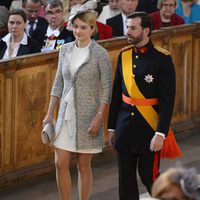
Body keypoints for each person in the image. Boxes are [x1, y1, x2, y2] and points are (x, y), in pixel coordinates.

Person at [107, 11, 181, 200]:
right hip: (124, 128)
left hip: (149, 129)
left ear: (146, 30)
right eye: (128, 27)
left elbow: (167, 100)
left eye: (133, 28)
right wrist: (111, 127)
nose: (128, 31)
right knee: (126, 182)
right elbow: (116, 95)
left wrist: (160, 133)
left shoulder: (162, 59)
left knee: (150, 176)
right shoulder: (124, 55)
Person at [43, 1, 112, 199]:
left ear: (93, 28)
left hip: (89, 116)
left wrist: (99, 117)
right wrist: (49, 114)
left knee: (83, 165)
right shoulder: (64, 50)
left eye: (84, 27)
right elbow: (58, 84)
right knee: (60, 164)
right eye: (76, 26)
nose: (78, 31)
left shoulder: (100, 53)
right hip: (65, 115)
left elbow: (106, 90)